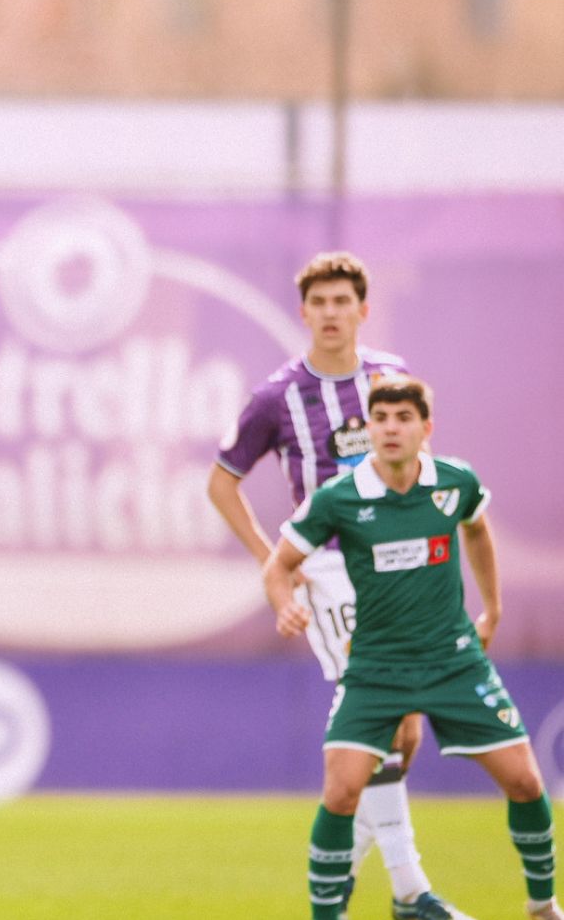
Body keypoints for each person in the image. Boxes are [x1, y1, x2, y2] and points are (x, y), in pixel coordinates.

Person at [264, 376, 558, 920]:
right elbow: (278, 564)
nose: (392, 428)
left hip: (451, 659)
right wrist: (285, 603)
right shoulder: (340, 498)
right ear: (369, 428)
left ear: (426, 427)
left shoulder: (454, 482)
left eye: (404, 418)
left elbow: (477, 528)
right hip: (375, 666)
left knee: (524, 780)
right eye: (382, 419)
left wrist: (491, 607)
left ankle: (543, 906)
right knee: (341, 791)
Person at [208, 252, 443, 916]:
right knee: (380, 712)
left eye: (343, 301)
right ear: (304, 312)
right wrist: (272, 556)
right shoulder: (277, 395)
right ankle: (410, 888)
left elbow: (420, 471)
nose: (332, 312)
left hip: (400, 569)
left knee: (402, 733)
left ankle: (338, 870)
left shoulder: (391, 380)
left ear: (363, 310)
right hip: (331, 571)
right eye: (320, 302)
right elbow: (221, 481)